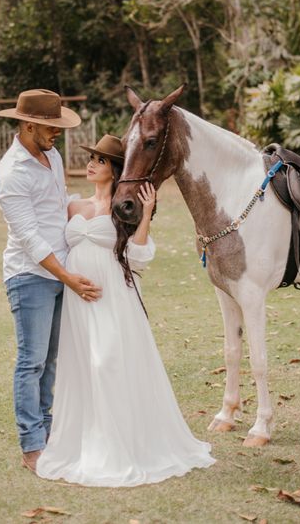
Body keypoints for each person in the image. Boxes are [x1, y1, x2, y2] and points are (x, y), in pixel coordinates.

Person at [36, 134, 215, 486]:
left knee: (109, 362)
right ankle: (86, 440)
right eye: (92, 159)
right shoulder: (72, 206)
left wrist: (145, 214)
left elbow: (139, 258)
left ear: (115, 170)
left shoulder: (122, 208)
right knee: (84, 366)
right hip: (77, 297)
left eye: (100, 161)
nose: (91, 165)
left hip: (113, 294)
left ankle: (122, 445)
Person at [0, 89, 102, 473]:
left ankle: (49, 433)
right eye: (50, 127)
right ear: (28, 125)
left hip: (60, 271)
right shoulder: (11, 174)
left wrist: (99, 206)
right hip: (30, 275)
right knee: (31, 362)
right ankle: (31, 446)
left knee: (51, 362)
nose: (57, 134)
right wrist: (69, 277)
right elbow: (31, 239)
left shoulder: (51, 156)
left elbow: (58, 207)